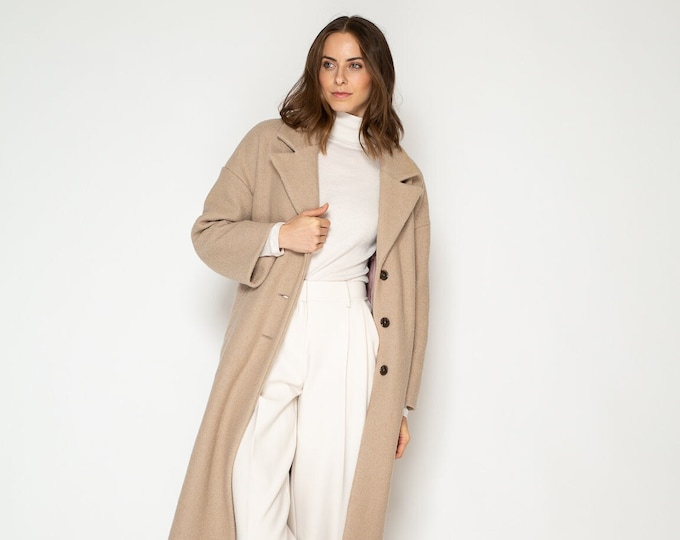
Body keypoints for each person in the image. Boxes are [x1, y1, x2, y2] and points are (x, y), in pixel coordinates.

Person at [169, 15, 430, 540]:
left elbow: (413, 294)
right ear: (315, 72)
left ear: (376, 74)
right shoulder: (268, 142)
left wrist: (399, 403)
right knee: (250, 502)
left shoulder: (401, 173)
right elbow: (208, 232)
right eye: (328, 64)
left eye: (354, 65)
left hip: (348, 333)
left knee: (329, 512)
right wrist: (279, 235)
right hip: (273, 325)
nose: (340, 78)